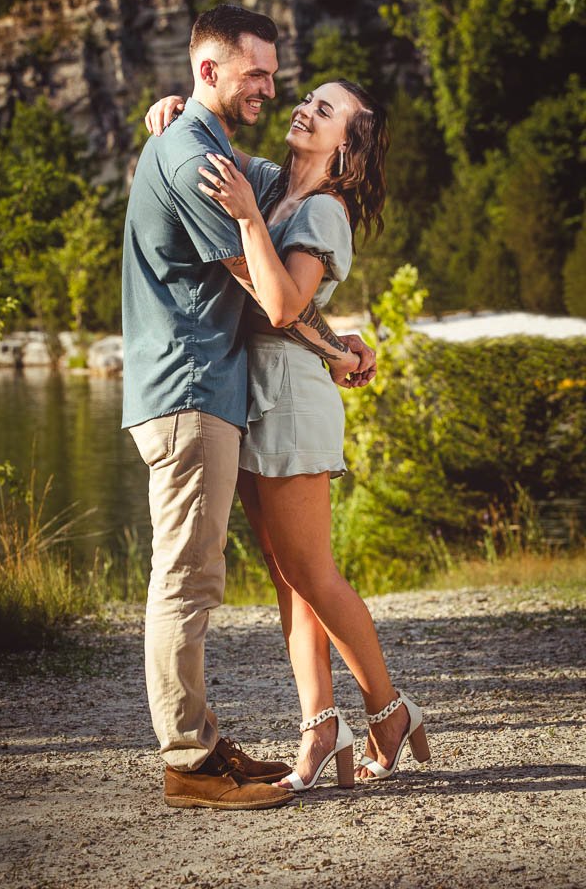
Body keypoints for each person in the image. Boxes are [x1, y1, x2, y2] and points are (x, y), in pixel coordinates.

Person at [145, 76, 431, 792]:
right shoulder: (276, 184)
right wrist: (177, 109)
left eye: (324, 110)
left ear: (347, 149)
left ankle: (388, 709)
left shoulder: (325, 210)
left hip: (293, 401)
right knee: (286, 578)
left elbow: (282, 305)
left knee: (312, 572)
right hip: (251, 393)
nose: (303, 108)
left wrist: (247, 219)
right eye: (306, 98)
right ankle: (320, 726)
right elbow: (211, 144)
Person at [122, 4, 375, 810]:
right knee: (187, 581)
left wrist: (337, 341)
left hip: (208, 391)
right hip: (189, 390)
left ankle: (206, 745)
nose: (273, 87)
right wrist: (338, 351)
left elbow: (296, 229)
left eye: (274, 73)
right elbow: (272, 296)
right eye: (255, 73)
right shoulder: (200, 161)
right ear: (210, 70)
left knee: (216, 576)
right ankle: (190, 762)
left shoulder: (223, 154)